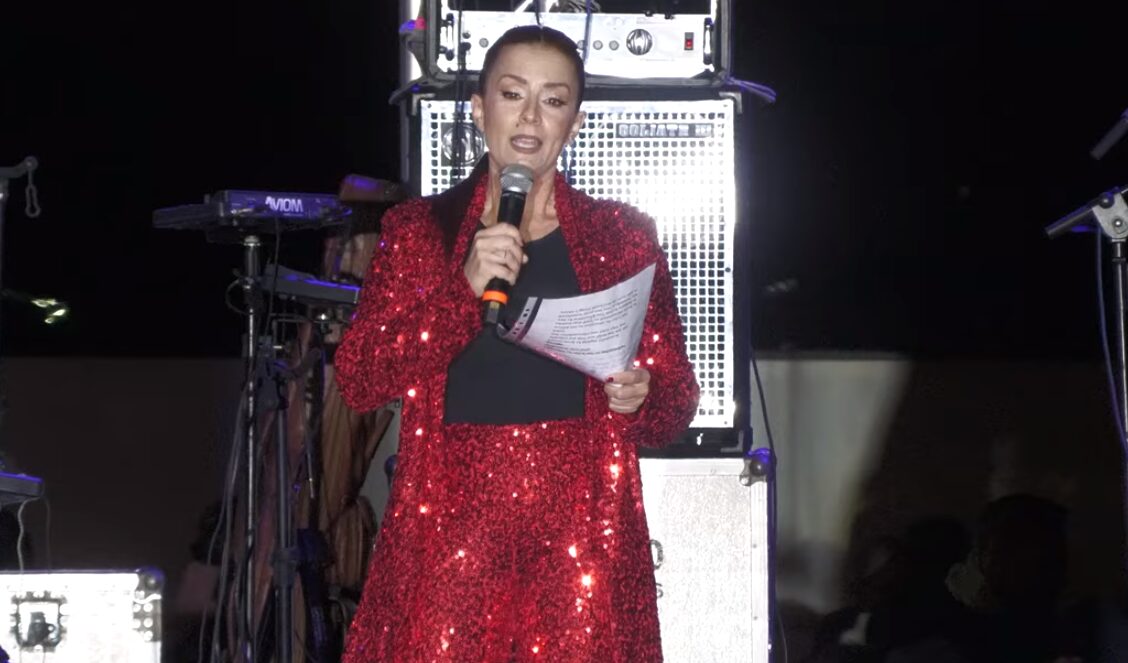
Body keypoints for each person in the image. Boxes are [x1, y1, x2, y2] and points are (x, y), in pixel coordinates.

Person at [334, 24, 700, 662]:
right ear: (480, 109)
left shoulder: (622, 237)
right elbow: (361, 377)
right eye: (512, 94)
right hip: (450, 528)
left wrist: (643, 394)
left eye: (553, 100)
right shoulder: (419, 232)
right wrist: (462, 291)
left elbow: (675, 402)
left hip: (580, 536)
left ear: (574, 123)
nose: (531, 116)